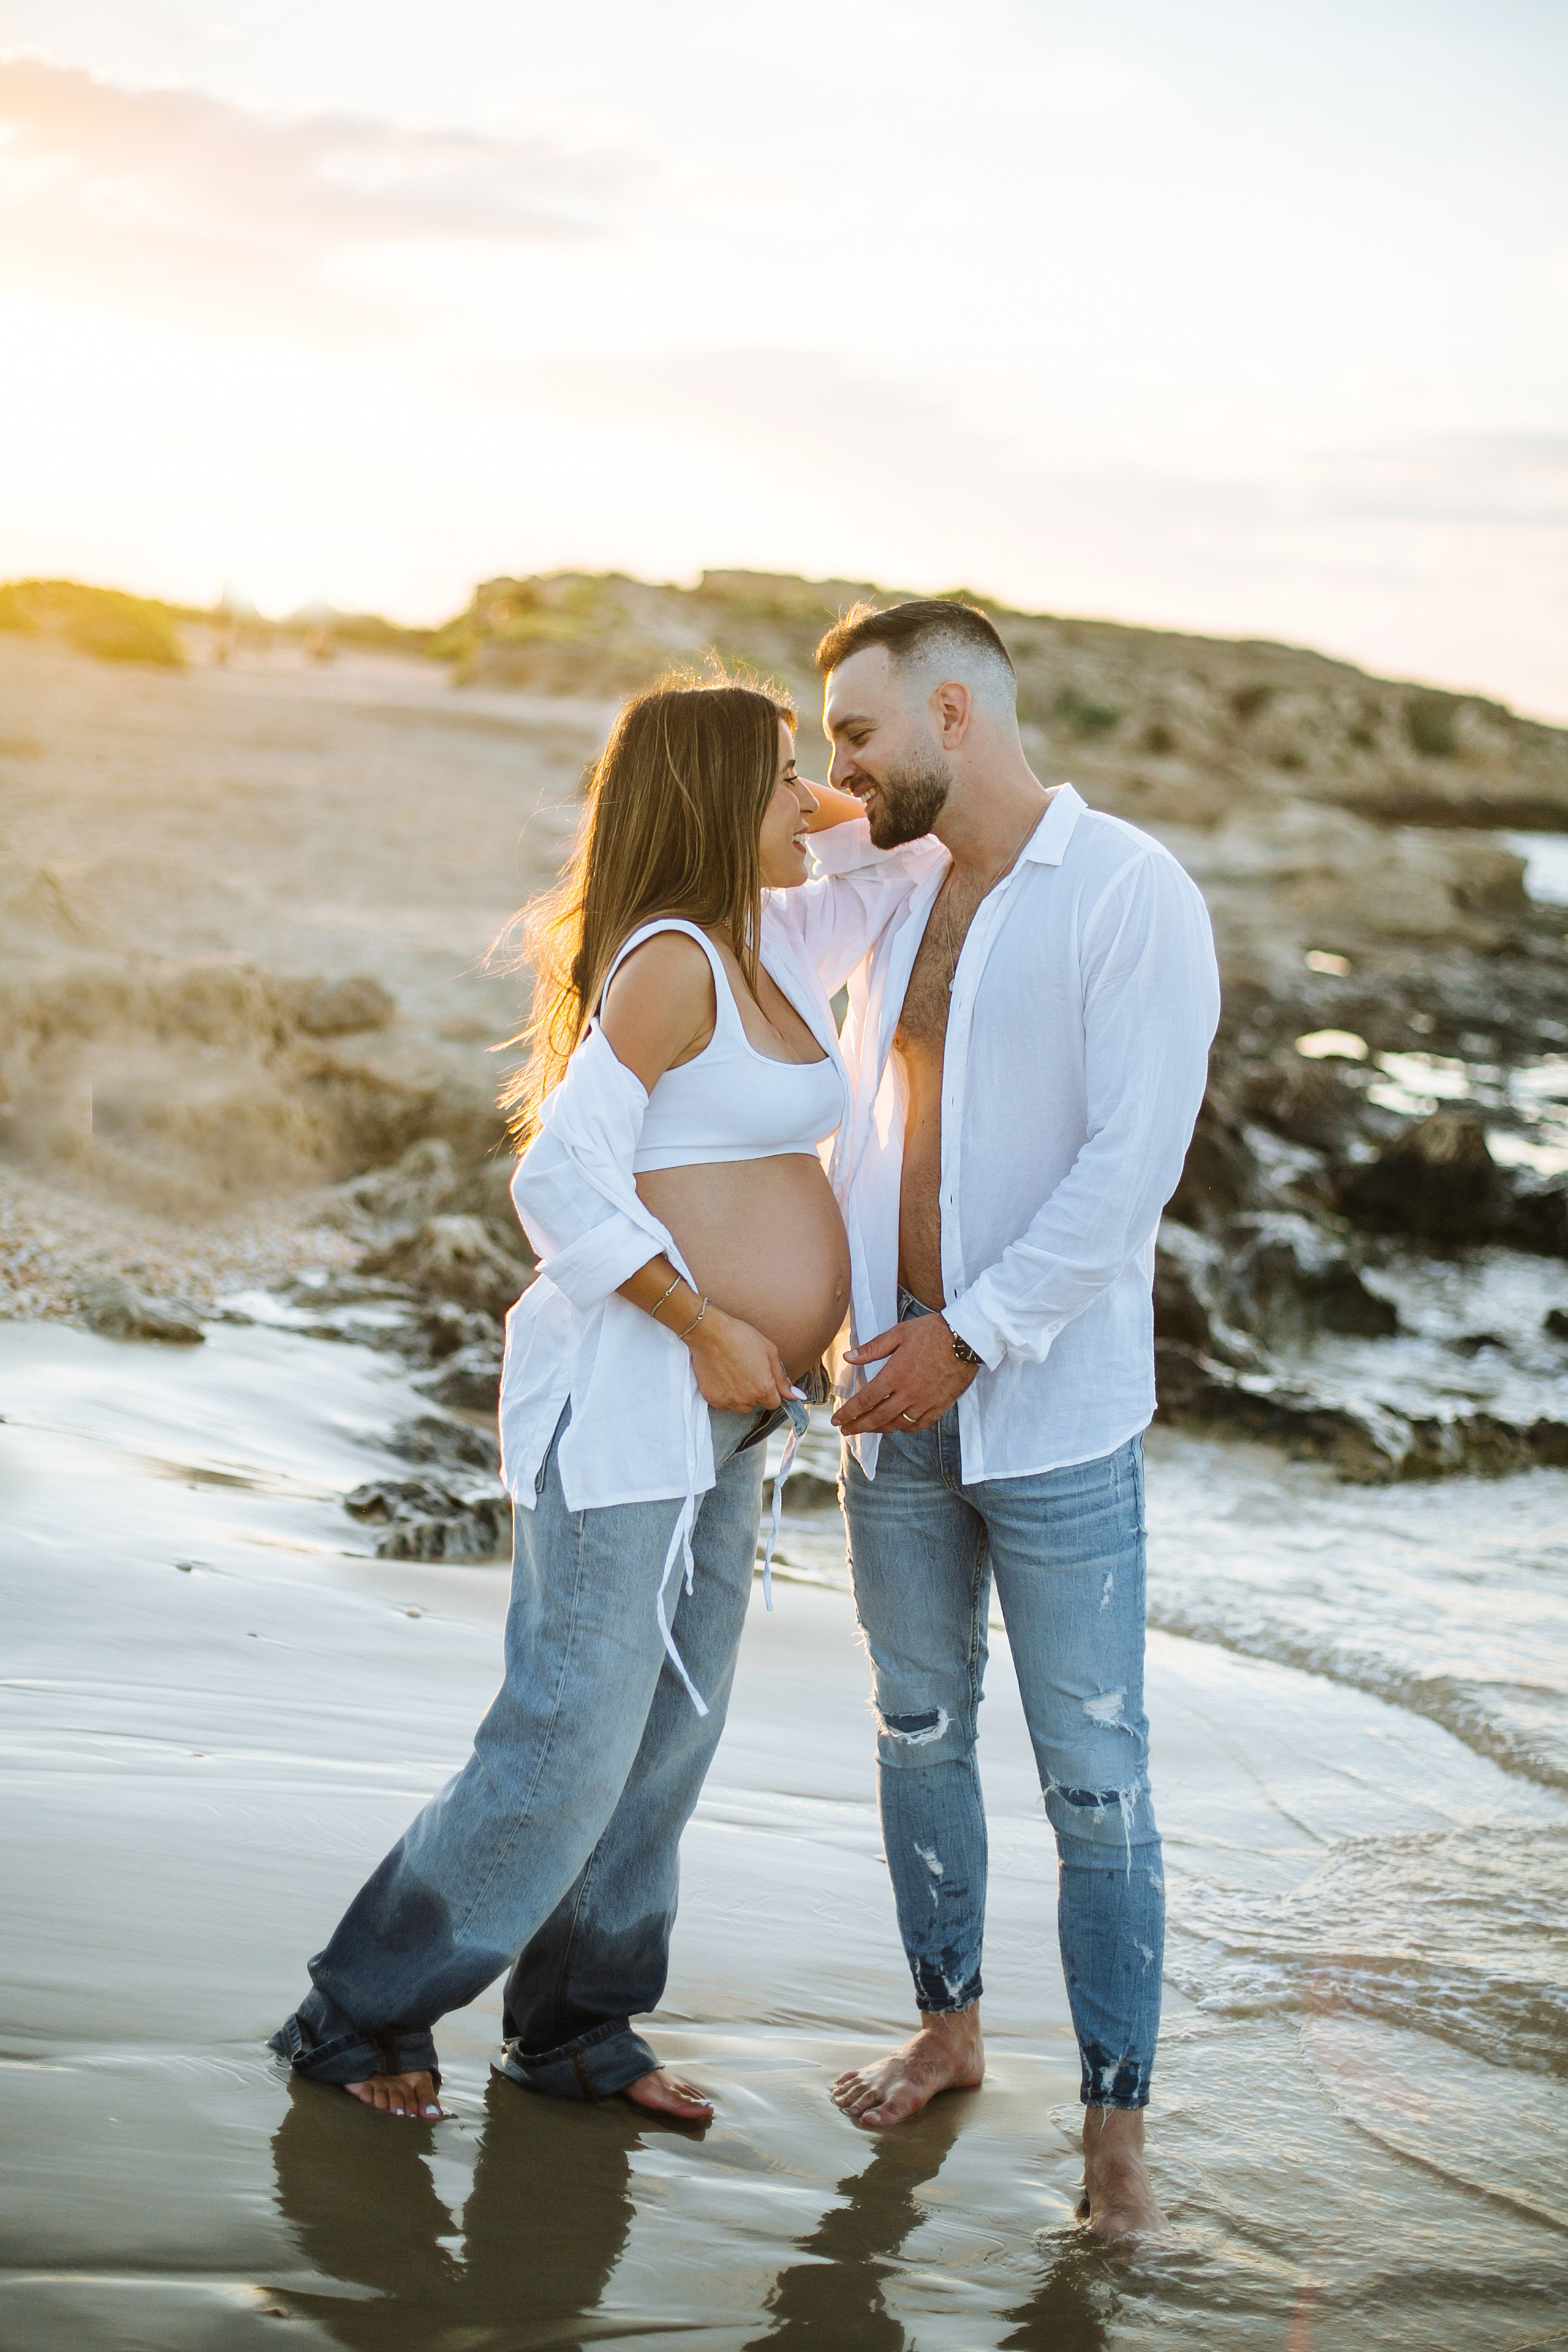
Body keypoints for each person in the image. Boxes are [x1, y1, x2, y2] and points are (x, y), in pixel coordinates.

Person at [269, 676, 938, 2123]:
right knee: (568, 1732)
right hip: (636, 1399)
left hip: (731, 1419)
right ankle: (355, 2015)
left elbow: (899, 860)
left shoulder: (770, 943)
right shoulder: (672, 962)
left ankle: (576, 2030)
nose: (807, 799)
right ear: (708, 799)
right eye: (778, 776)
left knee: (667, 1735)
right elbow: (557, 1179)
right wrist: (705, 1325)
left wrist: (813, 799)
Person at [813, 600, 1219, 2242]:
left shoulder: (1129, 889)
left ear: (953, 713)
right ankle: (949, 2030)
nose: (838, 768)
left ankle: (1117, 2133)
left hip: (1051, 1417)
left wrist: (969, 1342)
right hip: (888, 1405)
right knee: (916, 1727)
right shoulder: (884, 884)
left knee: (1095, 1786)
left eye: (855, 734)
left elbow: (1132, 1167)